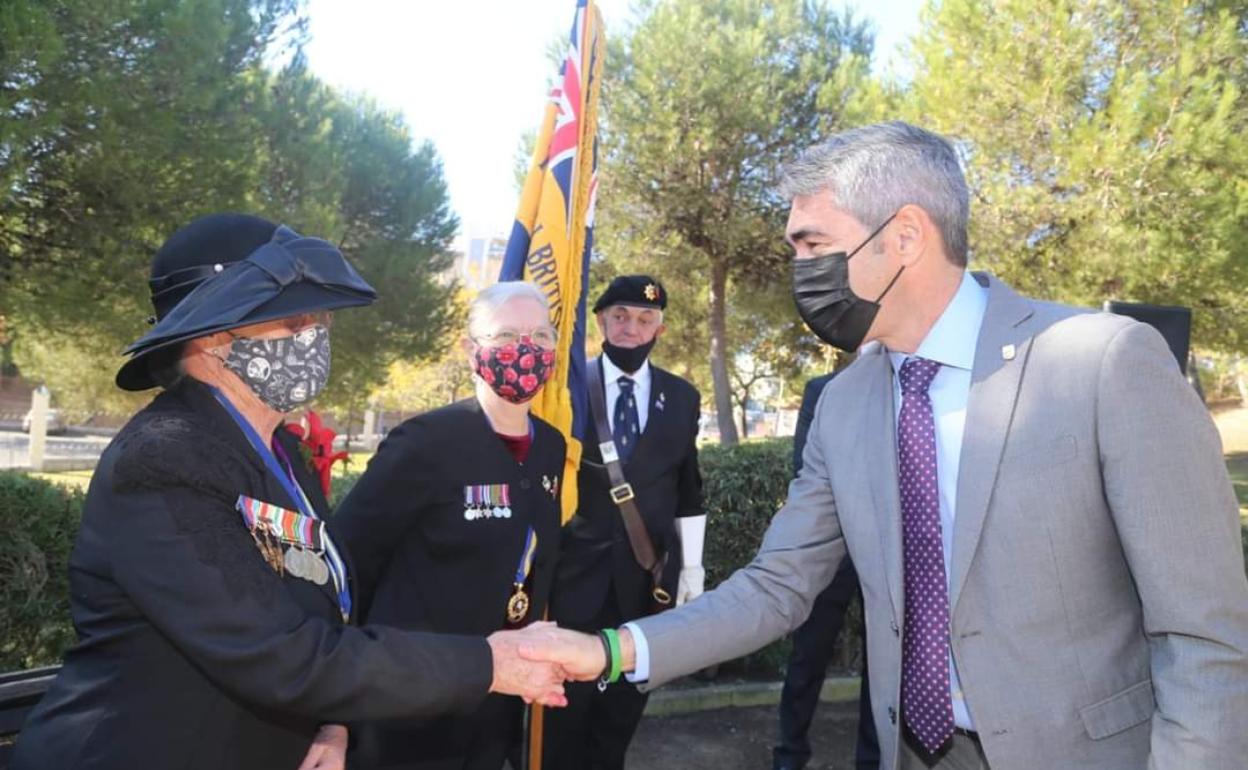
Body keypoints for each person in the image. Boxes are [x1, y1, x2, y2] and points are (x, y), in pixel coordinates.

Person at [520, 122, 1248, 769]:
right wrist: (610, 649)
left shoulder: (1104, 363)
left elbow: (1205, 636)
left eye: (814, 246)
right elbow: (777, 587)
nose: (799, 271)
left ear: (904, 236)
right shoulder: (845, 403)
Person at [10, 214, 565, 770]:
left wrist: (331, 721)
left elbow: (325, 606)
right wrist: (489, 662)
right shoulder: (163, 459)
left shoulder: (276, 451)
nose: (315, 331)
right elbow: (279, 652)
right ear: (212, 336)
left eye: (317, 315)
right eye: (291, 318)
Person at [331, 281, 566, 770]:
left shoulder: (551, 447)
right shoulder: (424, 442)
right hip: (409, 700)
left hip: (497, 702)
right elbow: (344, 566)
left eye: (540, 337)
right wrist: (331, 713)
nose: (525, 349)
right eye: (505, 335)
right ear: (469, 348)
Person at [542, 275, 705, 770]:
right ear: (600, 322)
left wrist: (692, 570)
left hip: (645, 581)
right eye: (620, 317)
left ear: (660, 327)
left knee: (622, 711)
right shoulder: (564, 388)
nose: (631, 328)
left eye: (645, 319)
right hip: (572, 579)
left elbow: (688, 487)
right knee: (564, 714)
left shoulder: (681, 396)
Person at [773, 372, 879, 770]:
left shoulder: (915, 388)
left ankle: (873, 759)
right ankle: (789, 753)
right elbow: (805, 467)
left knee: (883, 664)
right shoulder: (824, 390)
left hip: (886, 553)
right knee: (807, 657)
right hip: (829, 552)